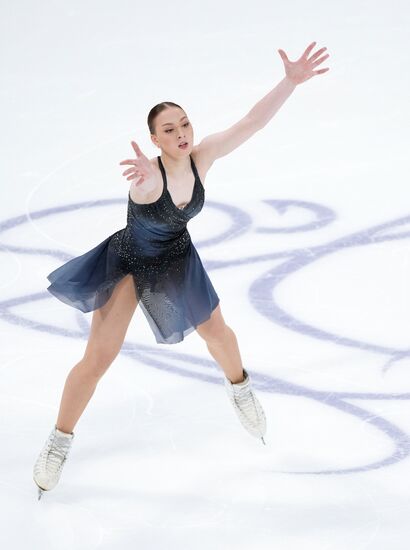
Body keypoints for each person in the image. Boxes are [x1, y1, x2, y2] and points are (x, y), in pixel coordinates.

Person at [33, 42, 330, 500]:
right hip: (130, 263)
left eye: (185, 123)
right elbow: (150, 188)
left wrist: (289, 82)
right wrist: (147, 178)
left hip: (177, 259)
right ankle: (59, 440)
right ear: (154, 139)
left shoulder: (203, 156)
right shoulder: (149, 177)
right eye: (169, 130)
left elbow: (251, 122)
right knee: (98, 360)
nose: (181, 133)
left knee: (219, 334)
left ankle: (241, 390)